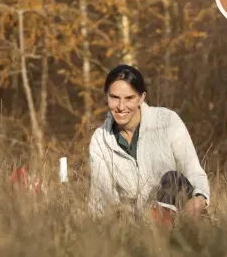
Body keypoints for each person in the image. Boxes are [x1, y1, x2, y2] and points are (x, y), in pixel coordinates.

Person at [88, 64, 210, 223]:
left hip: (182, 213)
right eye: (115, 97)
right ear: (107, 97)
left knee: (172, 178)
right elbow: (102, 197)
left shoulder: (167, 121)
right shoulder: (100, 140)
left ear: (141, 97)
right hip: (139, 224)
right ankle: (156, 241)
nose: (121, 106)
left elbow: (193, 169)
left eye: (129, 98)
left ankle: (168, 238)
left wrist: (199, 199)